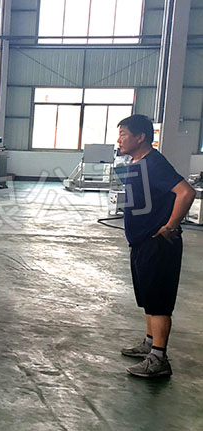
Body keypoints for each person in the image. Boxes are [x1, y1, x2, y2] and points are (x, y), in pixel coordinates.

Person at [115, 114, 196, 378]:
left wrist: (170, 226)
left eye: (123, 135)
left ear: (140, 137)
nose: (119, 140)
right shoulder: (137, 163)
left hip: (157, 243)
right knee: (149, 297)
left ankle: (159, 359)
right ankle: (150, 343)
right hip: (141, 241)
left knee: (159, 301)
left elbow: (186, 192)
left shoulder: (154, 163)